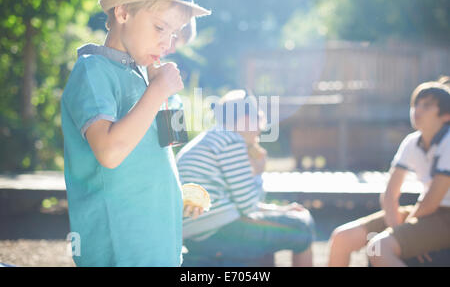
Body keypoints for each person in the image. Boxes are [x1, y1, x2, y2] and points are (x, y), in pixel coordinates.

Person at [60, 0, 210, 266]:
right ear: (123, 12)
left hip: (160, 242)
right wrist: (156, 91)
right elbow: (110, 152)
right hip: (121, 247)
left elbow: (172, 139)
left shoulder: (144, 76)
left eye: (174, 34)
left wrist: (162, 92)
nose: (167, 44)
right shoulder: (93, 70)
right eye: (159, 28)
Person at [176, 90, 315, 266]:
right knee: (303, 228)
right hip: (219, 231)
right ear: (246, 119)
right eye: (260, 119)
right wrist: (257, 173)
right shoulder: (232, 141)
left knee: (287, 226)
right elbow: (247, 205)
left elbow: (240, 202)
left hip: (198, 232)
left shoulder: (214, 137)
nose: (261, 128)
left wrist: (281, 210)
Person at [327, 80, 450, 267]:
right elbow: (390, 194)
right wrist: (398, 229)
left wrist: (403, 231)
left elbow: (432, 201)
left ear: (446, 115)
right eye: (415, 104)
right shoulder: (411, 142)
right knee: (341, 238)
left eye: (427, 105)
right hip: (423, 212)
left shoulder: (448, 141)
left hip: (444, 216)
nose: (417, 109)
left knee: (378, 248)